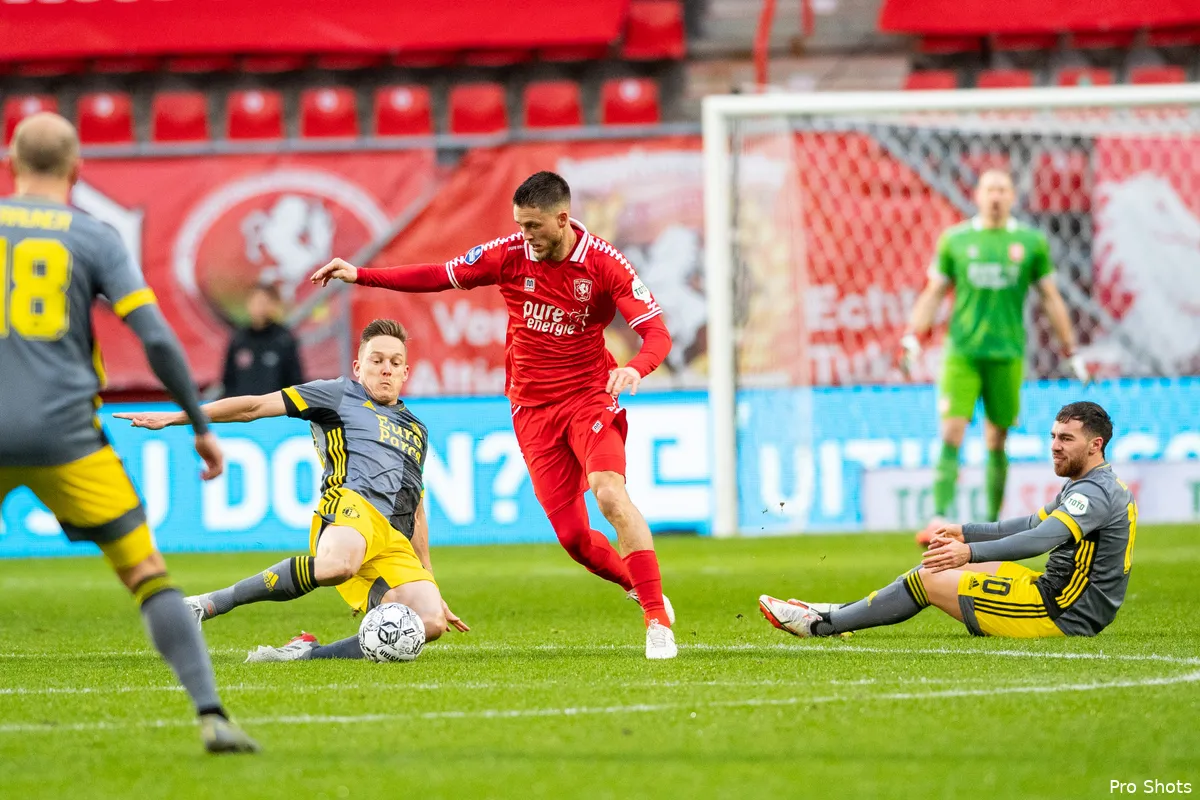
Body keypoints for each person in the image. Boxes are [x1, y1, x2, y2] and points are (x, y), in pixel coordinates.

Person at [310, 171, 678, 659]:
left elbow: (656, 333)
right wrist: (363, 275)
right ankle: (639, 584)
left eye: (533, 226)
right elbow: (439, 276)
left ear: (563, 219)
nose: (526, 236)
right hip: (531, 410)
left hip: (590, 396)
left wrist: (635, 367)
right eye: (520, 225)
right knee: (574, 539)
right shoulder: (507, 255)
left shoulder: (604, 265)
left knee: (610, 494)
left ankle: (656, 621)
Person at [0, 113, 256, 754]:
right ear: (78, 168)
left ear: (10, 162)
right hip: (65, 437)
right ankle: (212, 716)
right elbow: (158, 339)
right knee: (147, 574)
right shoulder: (94, 236)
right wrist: (200, 425)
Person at [115, 319, 469, 662]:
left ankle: (307, 652)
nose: (386, 369)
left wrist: (429, 579)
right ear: (359, 367)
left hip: (393, 538)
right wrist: (180, 417)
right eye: (377, 361)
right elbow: (253, 406)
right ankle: (211, 603)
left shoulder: (416, 429)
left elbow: (417, 505)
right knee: (336, 566)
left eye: (395, 363)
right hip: (353, 507)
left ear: (406, 372)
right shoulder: (337, 394)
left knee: (429, 622)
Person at [760, 401, 1137, 640]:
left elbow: (1039, 541)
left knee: (929, 577)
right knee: (943, 564)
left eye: (1066, 438)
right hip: (1059, 594)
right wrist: (965, 531)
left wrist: (966, 552)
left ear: (1095, 445)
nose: (1055, 445)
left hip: (1059, 611)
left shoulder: (1092, 494)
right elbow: (1026, 525)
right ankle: (836, 611)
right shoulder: (1090, 484)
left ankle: (820, 626)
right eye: (1053, 435)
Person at [901, 170, 1091, 544]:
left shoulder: (1030, 242)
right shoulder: (955, 240)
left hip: (1006, 354)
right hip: (963, 354)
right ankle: (937, 518)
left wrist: (1071, 349)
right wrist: (913, 336)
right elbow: (934, 292)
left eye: (1003, 189)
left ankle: (988, 525)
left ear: (1013, 196)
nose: (996, 196)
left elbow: (1051, 297)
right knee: (952, 430)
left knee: (996, 438)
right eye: (990, 189)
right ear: (977, 195)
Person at [221, 282, 304, 398]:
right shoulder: (239, 339)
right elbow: (228, 381)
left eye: (263, 302)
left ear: (273, 305)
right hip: (243, 412)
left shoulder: (284, 339)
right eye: (254, 302)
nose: (258, 307)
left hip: (275, 413)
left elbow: (295, 381)